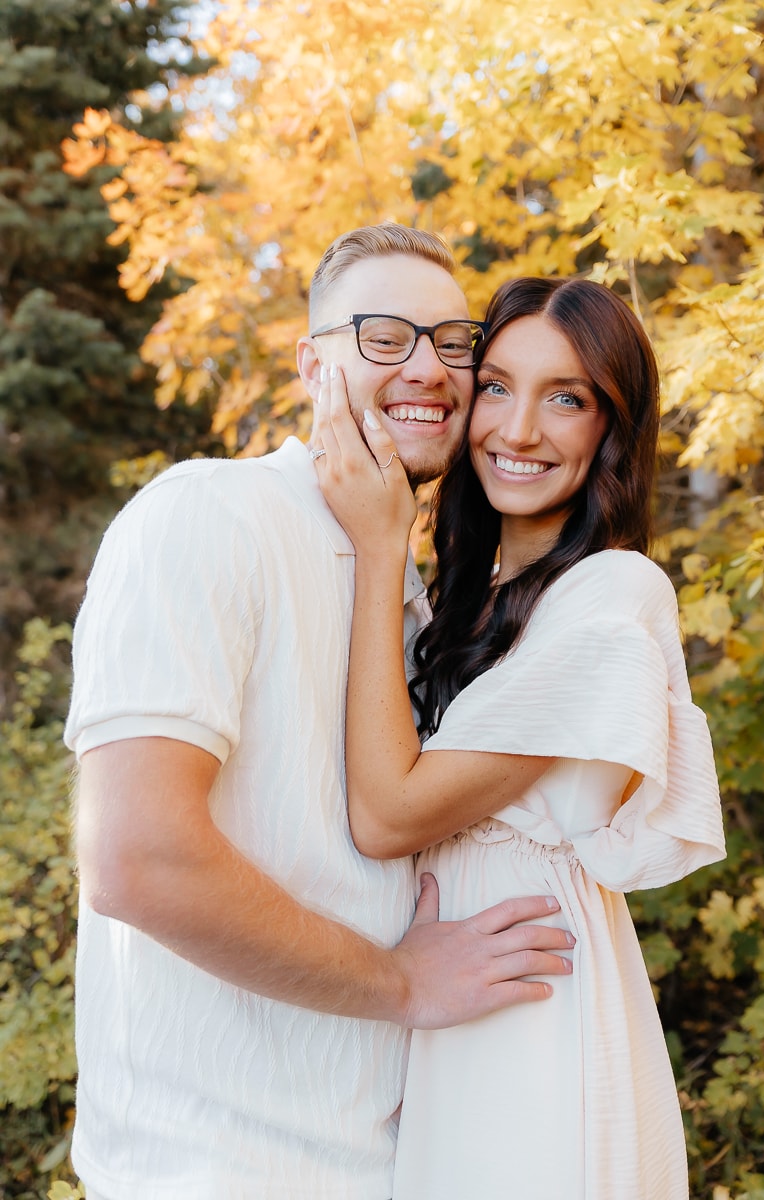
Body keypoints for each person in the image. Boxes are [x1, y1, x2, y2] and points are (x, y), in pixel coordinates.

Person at [63, 227, 576, 1200]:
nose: (428, 368)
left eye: (453, 342)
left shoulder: (413, 592)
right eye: (383, 336)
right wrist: (403, 984)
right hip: (215, 1171)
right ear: (311, 365)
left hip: (386, 1166)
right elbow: (136, 856)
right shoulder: (208, 513)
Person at [313, 274, 726, 1200]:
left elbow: (388, 814)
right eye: (496, 386)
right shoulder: (479, 602)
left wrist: (379, 545)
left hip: (534, 1003)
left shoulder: (613, 594)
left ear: (612, 431)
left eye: (567, 399)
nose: (519, 429)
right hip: (465, 997)